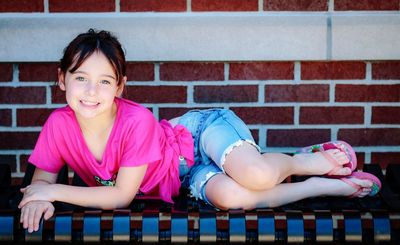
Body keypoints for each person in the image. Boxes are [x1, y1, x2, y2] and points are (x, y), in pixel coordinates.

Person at [18, 29, 381, 233]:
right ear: (62, 80)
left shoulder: (136, 120)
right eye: (80, 78)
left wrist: (51, 193)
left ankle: (308, 162)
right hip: (184, 176)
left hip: (198, 133)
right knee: (233, 197)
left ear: (120, 87)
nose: (91, 91)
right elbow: (41, 185)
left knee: (254, 173)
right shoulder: (58, 126)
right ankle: (321, 185)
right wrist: (40, 200)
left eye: (104, 81)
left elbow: (120, 197)